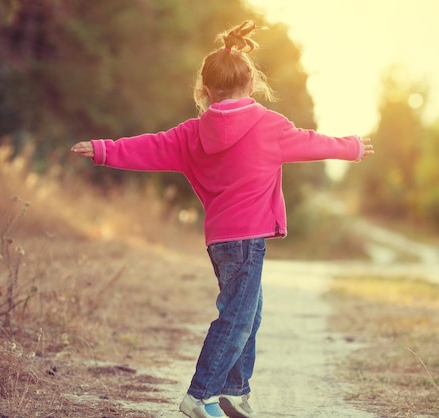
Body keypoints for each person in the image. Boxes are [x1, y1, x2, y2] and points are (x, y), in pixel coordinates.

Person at [71, 20, 373, 418]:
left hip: (221, 241)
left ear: (206, 91)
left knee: (248, 313)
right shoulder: (270, 126)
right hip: (248, 240)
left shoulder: (191, 133)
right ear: (251, 86)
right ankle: (200, 395)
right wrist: (351, 146)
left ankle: (233, 390)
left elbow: (148, 146)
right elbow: (312, 142)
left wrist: (104, 149)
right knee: (236, 318)